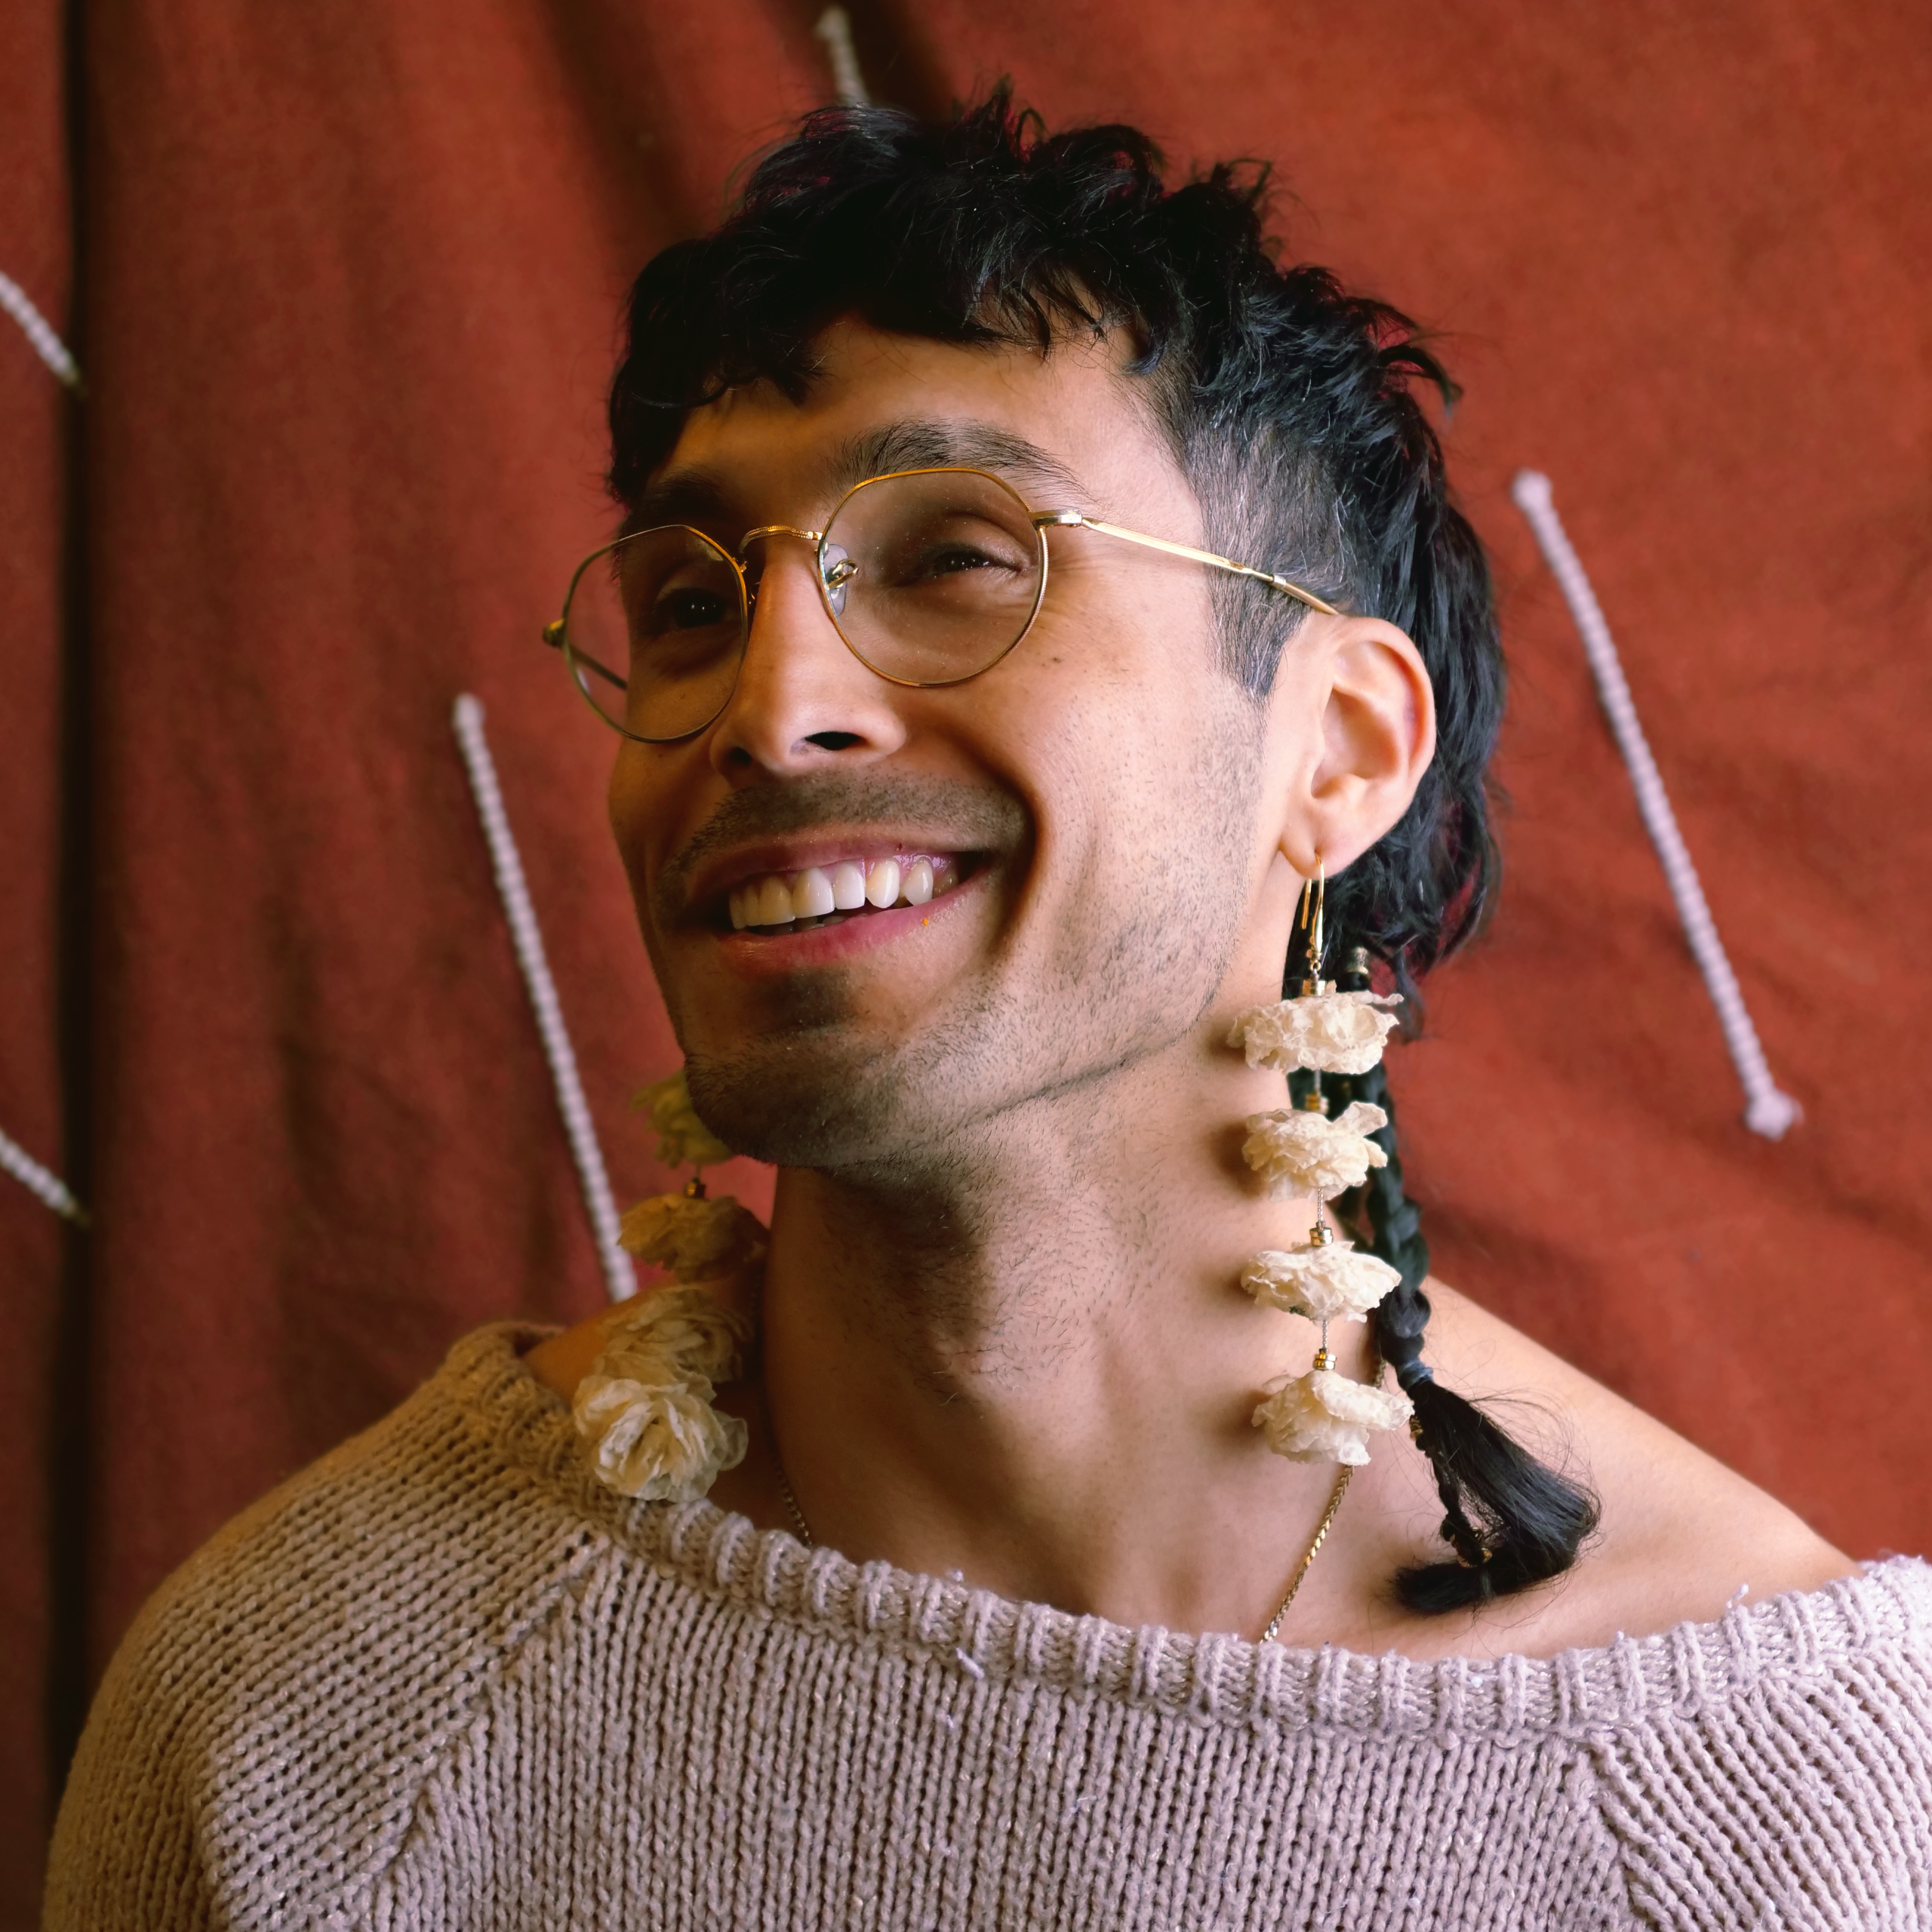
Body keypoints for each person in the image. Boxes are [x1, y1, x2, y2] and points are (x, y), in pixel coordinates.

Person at [47, 92, 1932, 1930]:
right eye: (690, 603)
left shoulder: (1784, 1798)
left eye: (954, 559)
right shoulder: (318, 1716)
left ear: (1335, 749)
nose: (765, 707)